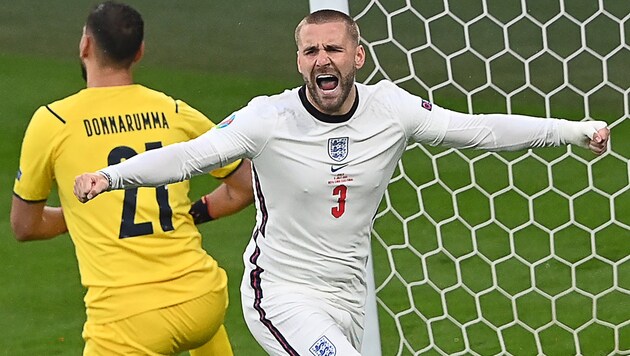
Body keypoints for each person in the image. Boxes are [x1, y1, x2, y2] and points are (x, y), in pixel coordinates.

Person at [74, 9, 610, 355]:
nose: (321, 60)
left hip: (351, 296)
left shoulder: (392, 109)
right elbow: (191, 156)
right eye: (311, 51)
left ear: (357, 57)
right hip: (282, 293)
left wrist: (573, 130)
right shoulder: (269, 119)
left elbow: (480, 130)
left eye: (333, 49)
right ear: (300, 61)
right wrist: (109, 175)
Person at [11, 1, 253, 355]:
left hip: (129, 320)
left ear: (85, 46)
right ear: (139, 52)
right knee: (204, 331)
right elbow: (244, 186)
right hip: (204, 299)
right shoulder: (172, 110)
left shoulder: (54, 122)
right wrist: (195, 212)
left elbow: (25, 226)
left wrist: (85, 216)